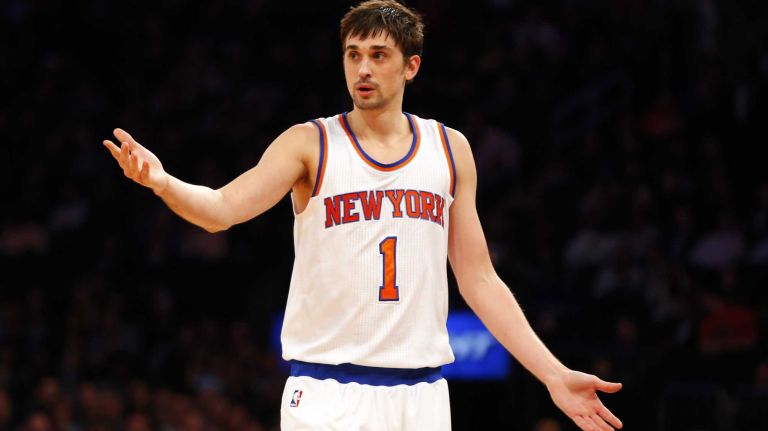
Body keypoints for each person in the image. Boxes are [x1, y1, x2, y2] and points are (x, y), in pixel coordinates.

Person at [103, 1, 624, 429]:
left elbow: (479, 278)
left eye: (379, 55)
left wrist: (553, 373)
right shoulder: (309, 143)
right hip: (327, 391)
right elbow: (220, 211)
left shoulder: (450, 149)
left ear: (411, 66)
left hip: (421, 396)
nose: (364, 68)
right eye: (353, 55)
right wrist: (161, 180)